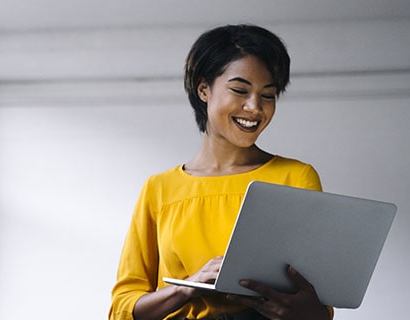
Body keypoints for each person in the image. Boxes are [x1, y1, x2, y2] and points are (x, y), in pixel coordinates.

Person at [109, 24, 334, 320]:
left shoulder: (295, 177)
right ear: (204, 89)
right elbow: (122, 309)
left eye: (268, 95)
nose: (255, 108)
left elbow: (320, 307)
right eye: (240, 90)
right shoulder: (159, 189)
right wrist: (187, 287)